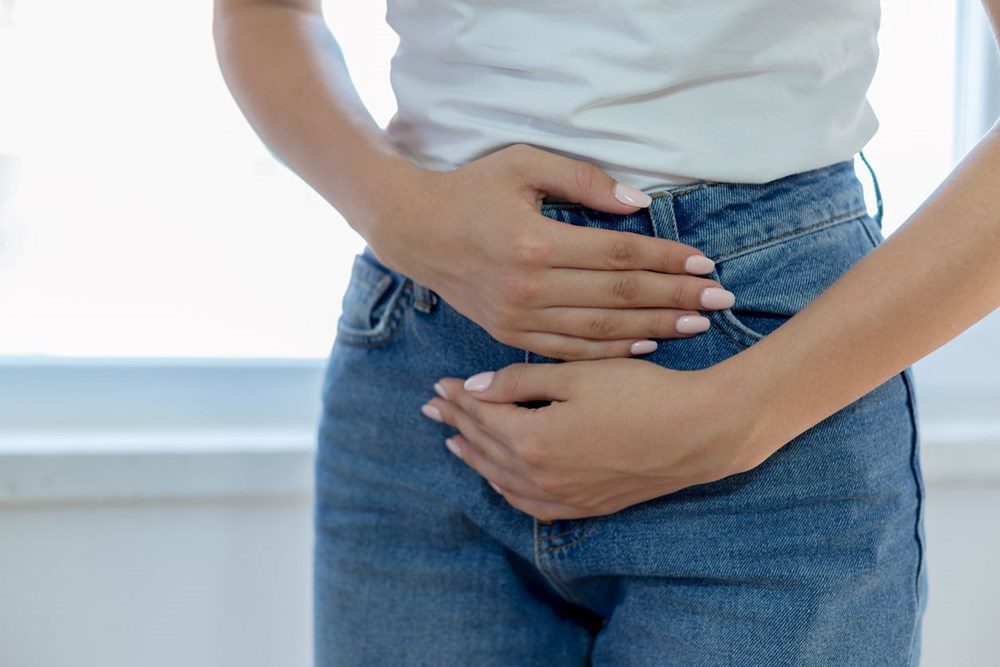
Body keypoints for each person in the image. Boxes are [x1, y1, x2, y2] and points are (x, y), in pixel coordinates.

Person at [213, 0, 1000, 664]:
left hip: (771, 390)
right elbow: (264, 12)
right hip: (423, 383)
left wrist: (737, 416)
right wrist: (402, 217)